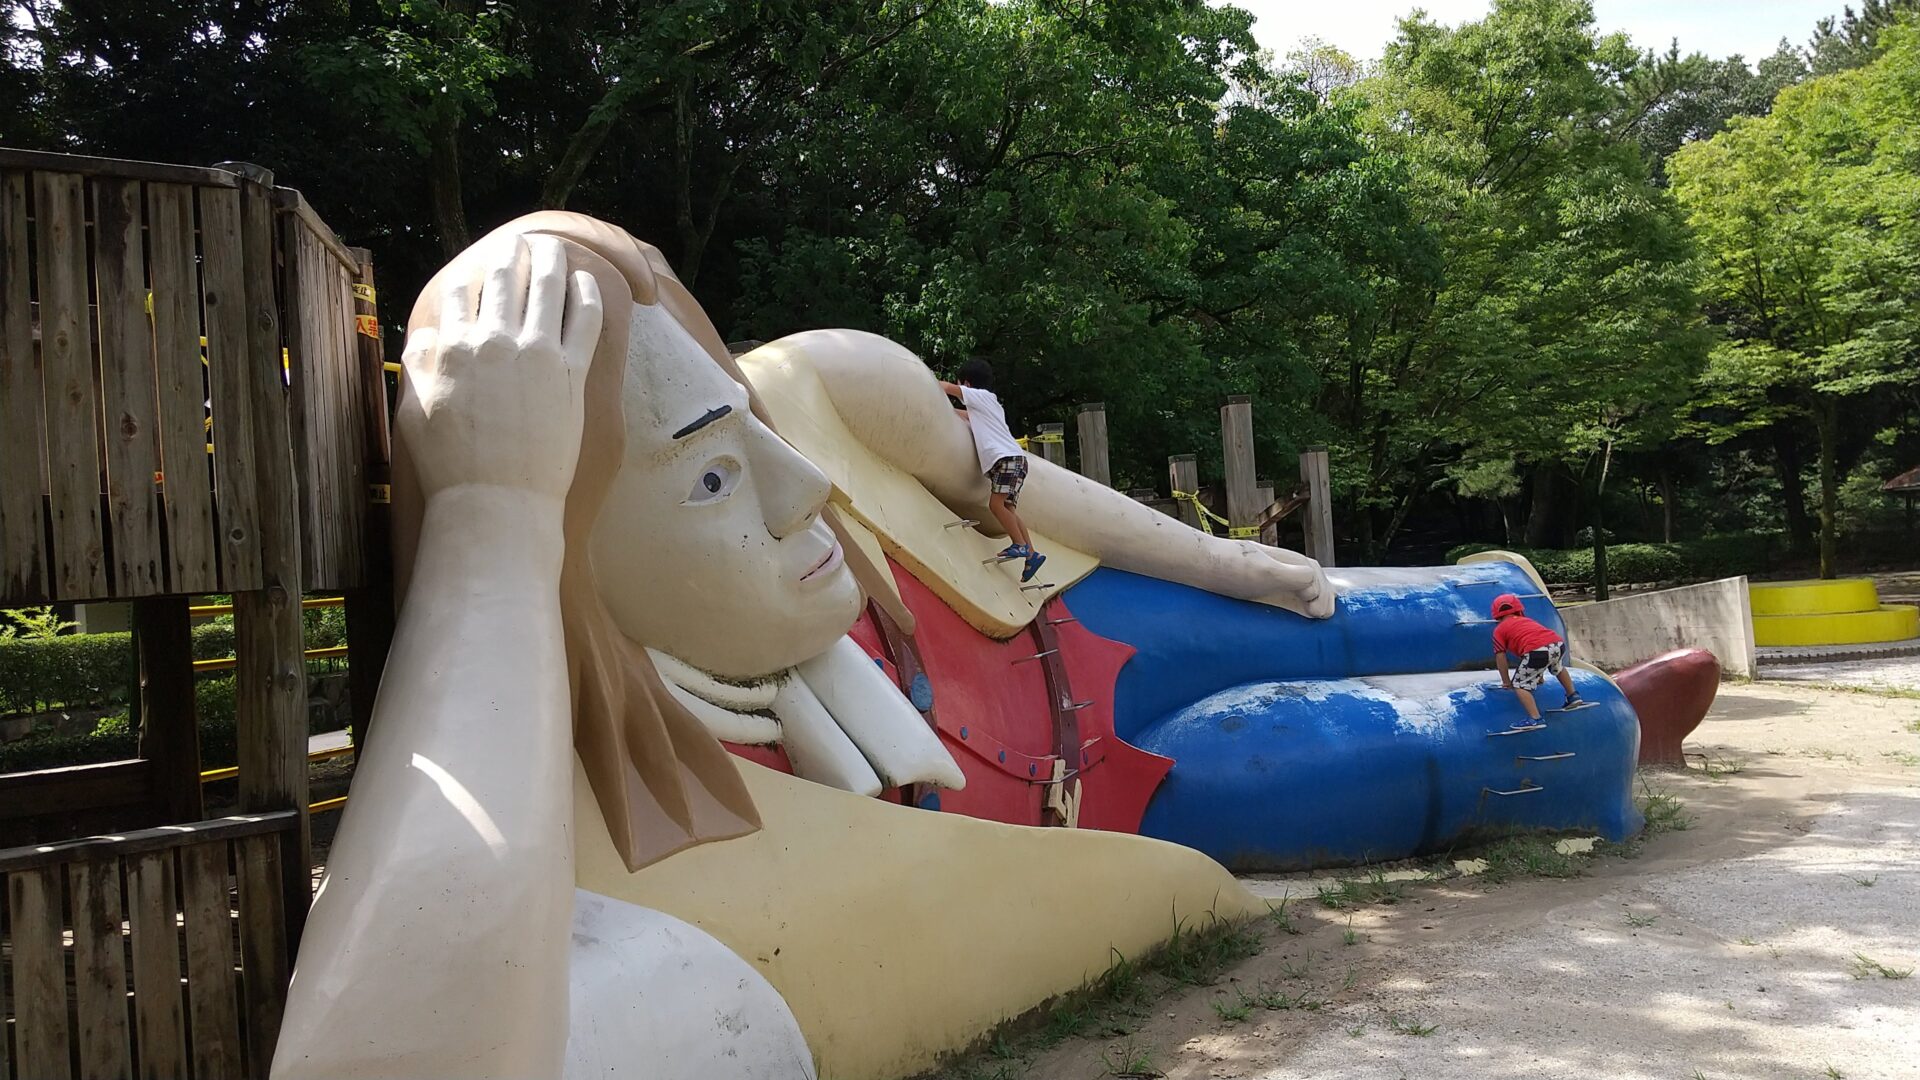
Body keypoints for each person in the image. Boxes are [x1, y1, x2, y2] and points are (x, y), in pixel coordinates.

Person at [938, 358, 1044, 582]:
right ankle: (1032, 554)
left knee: (995, 505)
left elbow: (947, 388)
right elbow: (964, 415)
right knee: (1008, 509)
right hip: (1016, 460)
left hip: (1005, 460)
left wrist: (928, 383)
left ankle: (1019, 545)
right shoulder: (990, 405)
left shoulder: (979, 396)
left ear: (967, 383)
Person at [1491, 592, 1583, 722]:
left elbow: (1501, 657)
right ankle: (1573, 695)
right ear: (1519, 609)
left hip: (1536, 651)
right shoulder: (1527, 621)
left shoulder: (1499, 630)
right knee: (1557, 667)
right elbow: (1541, 646)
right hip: (1557, 644)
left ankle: (1535, 718)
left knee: (1520, 685)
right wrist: (1539, 677)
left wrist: (1506, 681)